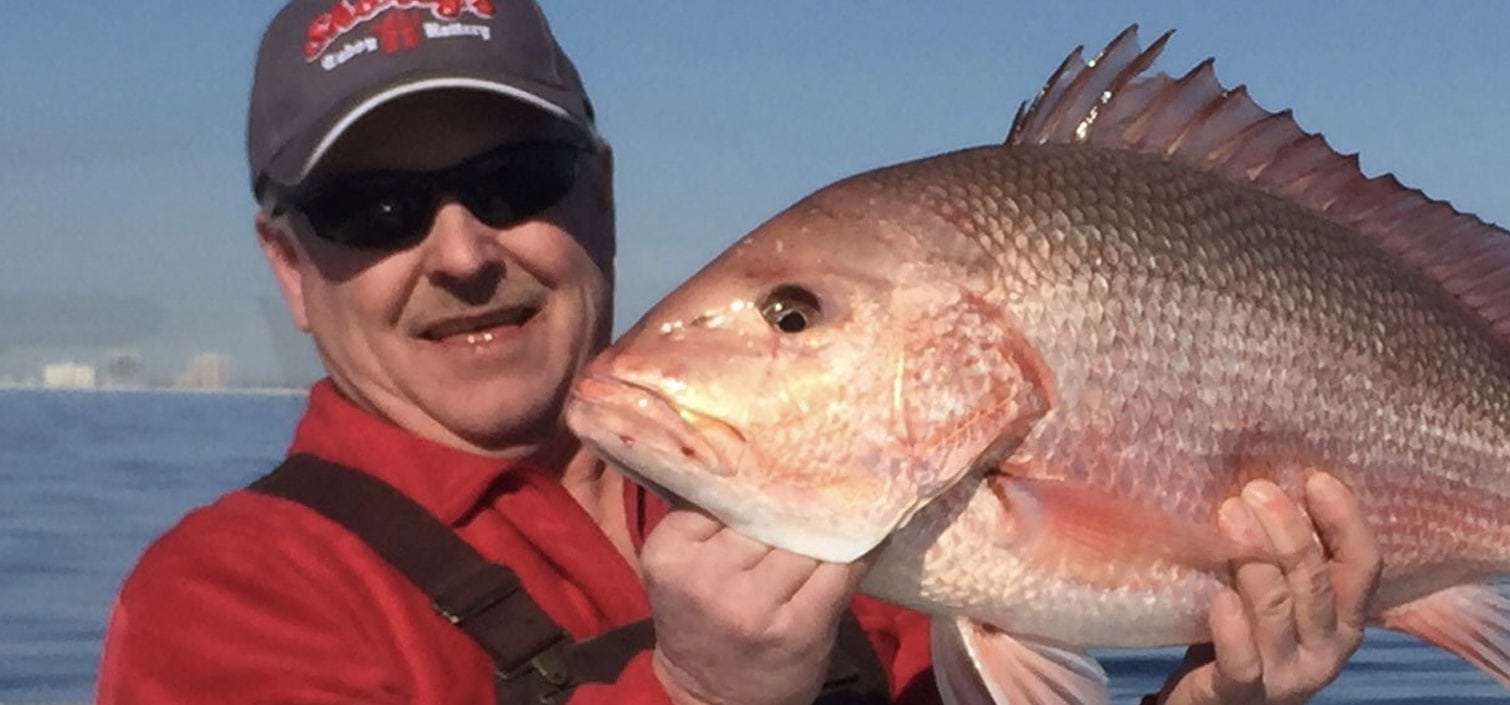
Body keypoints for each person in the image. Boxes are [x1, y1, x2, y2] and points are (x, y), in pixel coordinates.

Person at [96, 1, 1383, 704]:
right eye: (371, 210)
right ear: (288, 269)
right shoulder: (229, 597)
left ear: (597, 192)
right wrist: (693, 700)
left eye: (515, 178)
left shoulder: (816, 469)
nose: (461, 251)